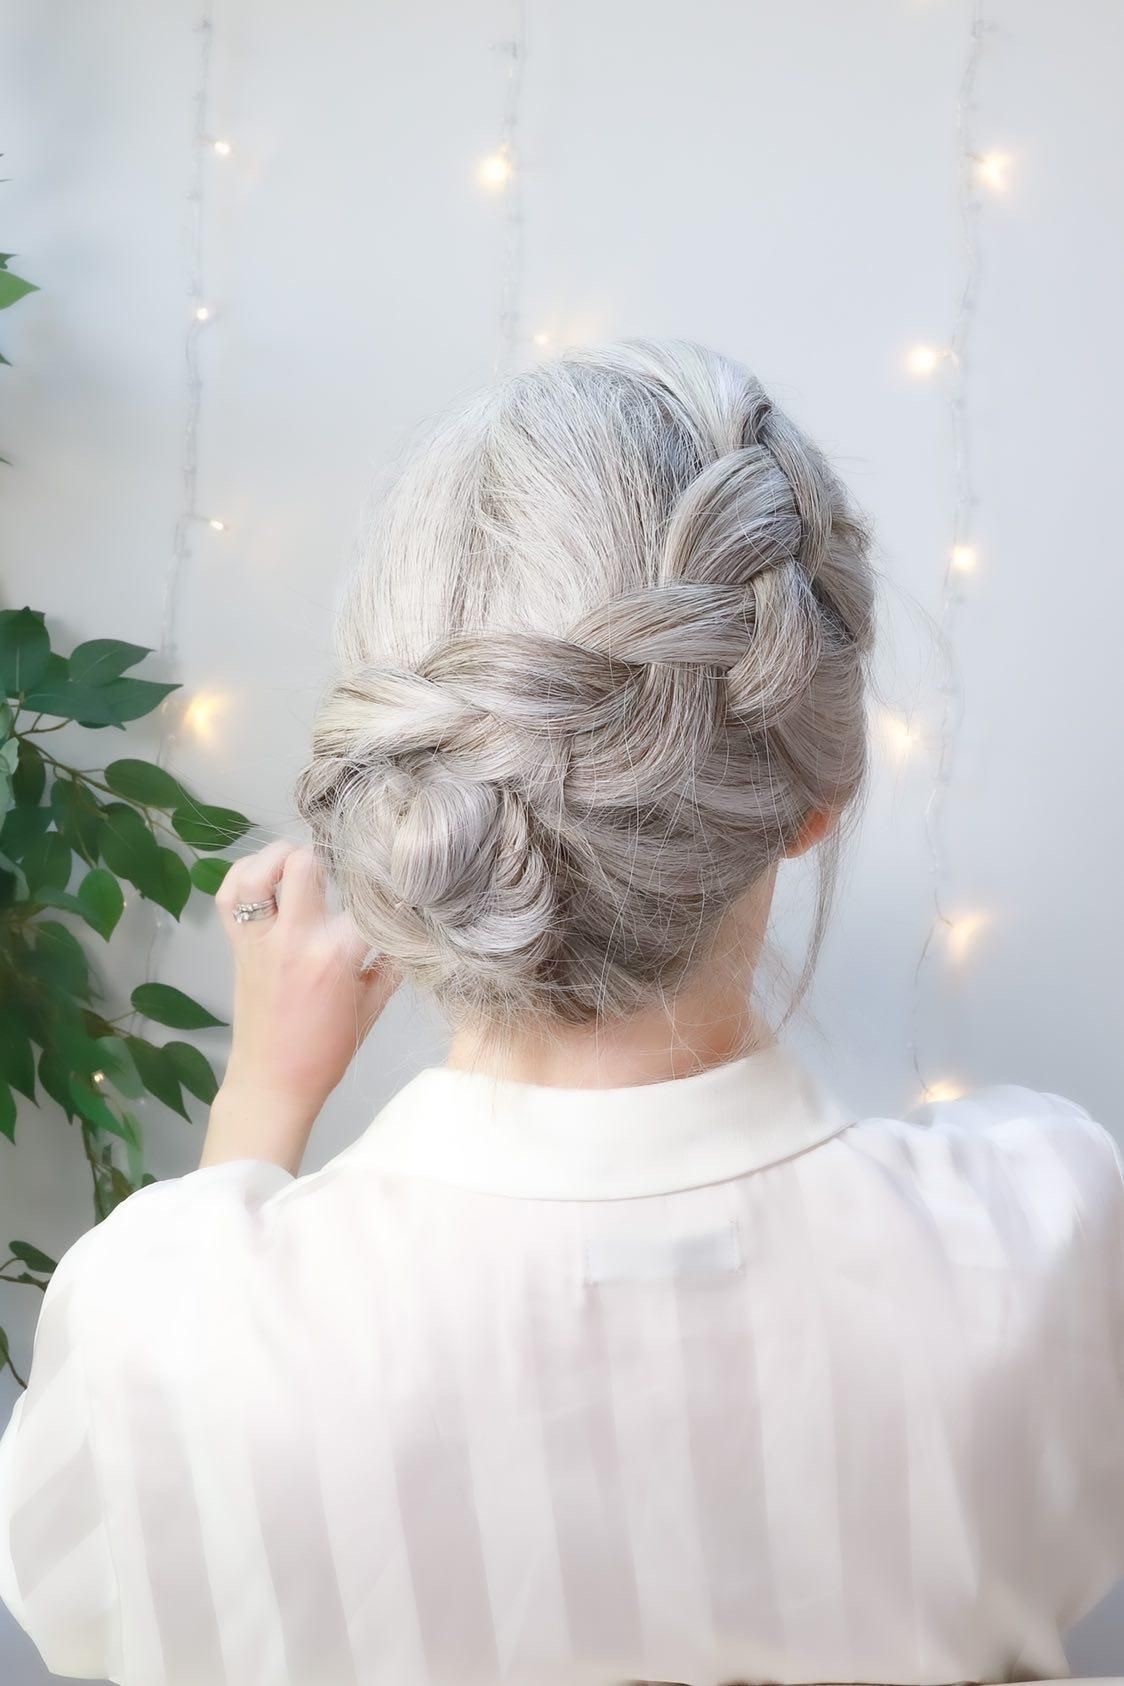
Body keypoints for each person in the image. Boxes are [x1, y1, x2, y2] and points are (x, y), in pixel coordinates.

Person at [0, 339, 1120, 1686]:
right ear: (821, 790)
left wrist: (258, 1110)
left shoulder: (165, 1339)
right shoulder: (1047, 1242)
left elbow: (99, 1611)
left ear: (413, 783)